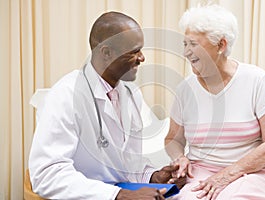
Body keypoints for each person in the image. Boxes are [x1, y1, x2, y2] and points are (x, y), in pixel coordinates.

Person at [28, 11, 185, 200]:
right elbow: (46, 175)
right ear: (106, 53)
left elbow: (127, 163)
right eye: (134, 51)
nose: (142, 58)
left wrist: (154, 176)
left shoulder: (130, 93)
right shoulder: (67, 94)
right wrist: (118, 195)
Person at [165, 4, 265, 200]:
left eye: (194, 44)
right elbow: (173, 139)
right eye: (185, 44)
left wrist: (229, 174)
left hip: (256, 173)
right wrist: (179, 158)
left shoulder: (256, 79)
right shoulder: (185, 90)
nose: (186, 52)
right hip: (202, 173)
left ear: (221, 45)